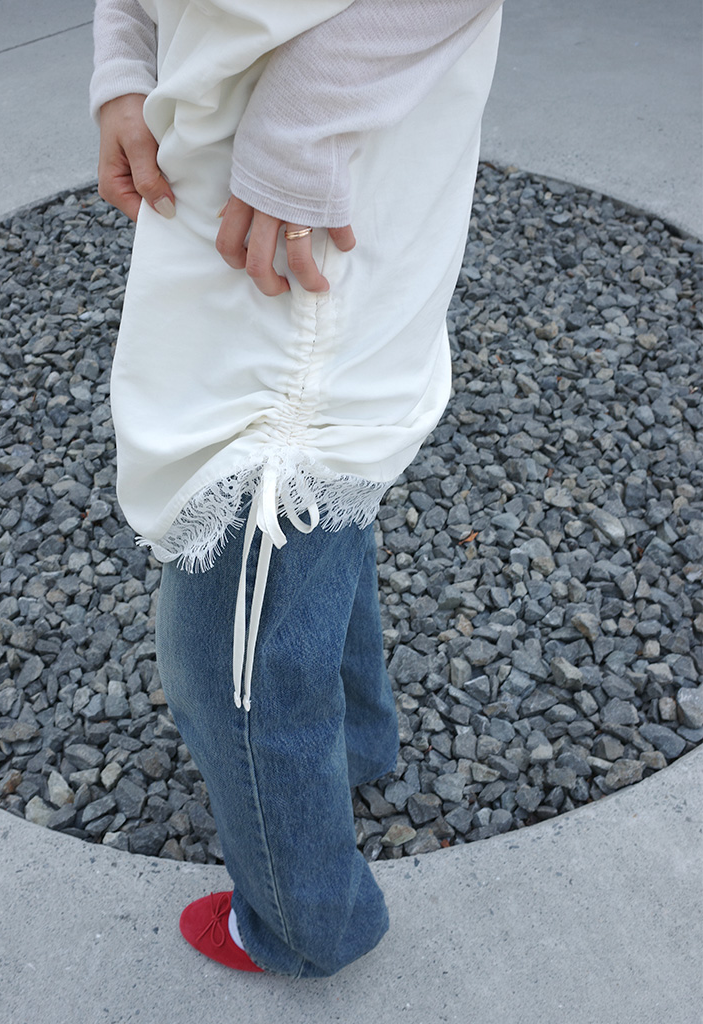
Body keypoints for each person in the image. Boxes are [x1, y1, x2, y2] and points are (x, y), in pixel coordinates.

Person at [91, 0, 503, 978]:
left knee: (234, 629)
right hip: (251, 190)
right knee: (315, 505)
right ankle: (351, 742)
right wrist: (123, 63)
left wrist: (296, 126)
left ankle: (306, 921)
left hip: (303, 212)